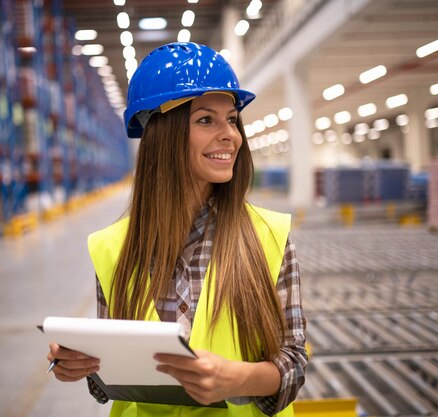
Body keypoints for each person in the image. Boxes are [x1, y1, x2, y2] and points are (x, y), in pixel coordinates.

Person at [47, 41, 308, 417]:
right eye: (206, 120)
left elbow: (294, 363)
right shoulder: (112, 247)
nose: (230, 135)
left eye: (232, 119)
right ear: (163, 136)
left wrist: (238, 379)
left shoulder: (270, 234)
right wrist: (83, 364)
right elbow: (113, 375)